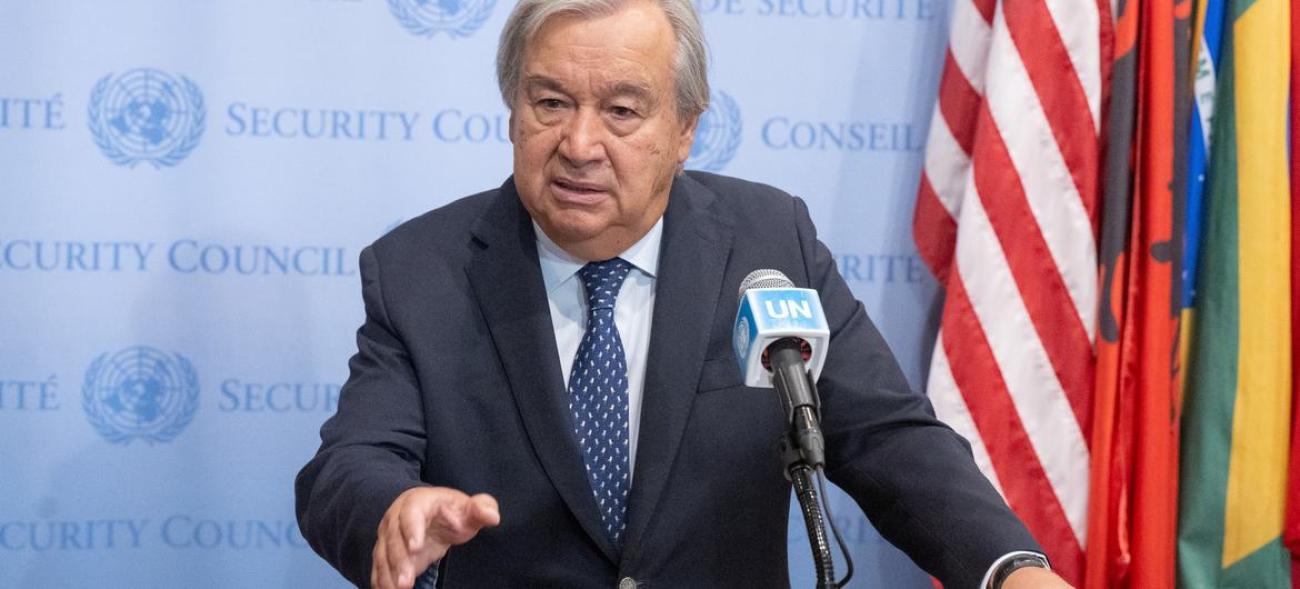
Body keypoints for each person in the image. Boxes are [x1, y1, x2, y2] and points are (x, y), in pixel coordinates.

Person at [294, 0, 1073, 587]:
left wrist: (1008, 566)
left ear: (687, 129)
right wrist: (394, 510)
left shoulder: (768, 241)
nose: (579, 143)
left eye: (622, 110)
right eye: (550, 101)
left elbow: (886, 436)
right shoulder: (420, 270)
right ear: (512, 111)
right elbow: (348, 464)